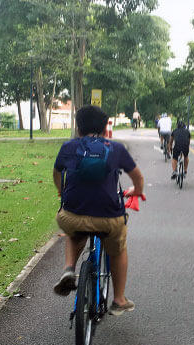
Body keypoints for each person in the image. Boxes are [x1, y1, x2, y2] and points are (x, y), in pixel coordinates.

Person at [52, 105, 144, 316]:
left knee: (74, 232)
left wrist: (62, 192)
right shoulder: (116, 148)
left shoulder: (68, 147)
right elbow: (138, 178)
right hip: (108, 219)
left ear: (78, 128)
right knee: (118, 247)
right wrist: (136, 191)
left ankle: (68, 269)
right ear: (105, 129)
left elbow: (57, 175)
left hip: (72, 216)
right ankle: (119, 300)